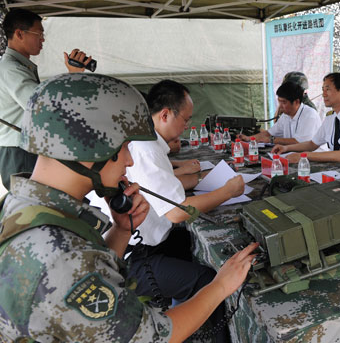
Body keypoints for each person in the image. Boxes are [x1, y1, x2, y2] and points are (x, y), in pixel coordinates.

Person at [0, 73, 258, 342]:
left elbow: (89, 276)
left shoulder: (26, 206)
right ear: (93, 147)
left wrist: (122, 232)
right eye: (124, 147)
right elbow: (152, 337)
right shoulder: (60, 254)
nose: (130, 161)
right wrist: (221, 286)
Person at [88, 79, 245, 339]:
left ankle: (185, 314)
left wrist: (195, 179)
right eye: (185, 119)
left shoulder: (148, 144)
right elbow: (177, 212)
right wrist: (227, 191)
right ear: (165, 114)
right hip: (132, 256)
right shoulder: (146, 148)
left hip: (137, 244)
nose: (187, 126)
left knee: (187, 241)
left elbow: (159, 186)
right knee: (206, 278)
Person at [0, 8, 93, 190]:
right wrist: (72, 76)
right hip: (19, 152)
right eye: (39, 34)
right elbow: (43, 106)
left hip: (22, 149)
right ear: (19, 33)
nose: (43, 39)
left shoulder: (18, 66)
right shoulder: (12, 69)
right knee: (31, 206)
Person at [272, 72, 340, 173]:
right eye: (323, 90)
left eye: (328, 89)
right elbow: (312, 144)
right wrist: (286, 148)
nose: (324, 94)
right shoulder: (331, 116)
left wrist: (302, 156)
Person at [238, 81, 321, 145]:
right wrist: (249, 139)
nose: (280, 106)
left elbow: (300, 142)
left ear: (296, 102)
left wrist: (272, 140)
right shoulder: (286, 115)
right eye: (279, 102)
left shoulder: (310, 115)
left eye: (284, 102)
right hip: (294, 155)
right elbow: (269, 133)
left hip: (315, 159)